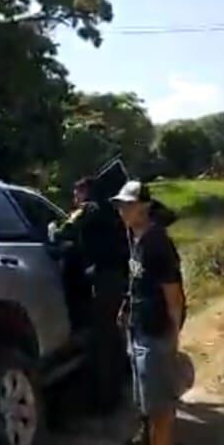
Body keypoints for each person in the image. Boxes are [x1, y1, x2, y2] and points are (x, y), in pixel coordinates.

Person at [111, 181, 187, 445]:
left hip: (156, 336)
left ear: (144, 207)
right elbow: (137, 282)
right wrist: (127, 310)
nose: (122, 210)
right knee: (149, 409)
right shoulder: (136, 239)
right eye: (120, 205)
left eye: (128, 205)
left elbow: (174, 298)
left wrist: (172, 339)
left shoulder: (158, 243)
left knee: (160, 414)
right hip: (139, 331)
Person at [53, 177, 130, 415]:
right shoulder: (112, 211)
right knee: (114, 335)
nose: (75, 199)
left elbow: (66, 232)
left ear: (85, 192)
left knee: (104, 340)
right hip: (118, 277)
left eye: (77, 194)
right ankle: (118, 388)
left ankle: (106, 401)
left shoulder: (89, 208)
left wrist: (53, 229)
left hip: (105, 280)